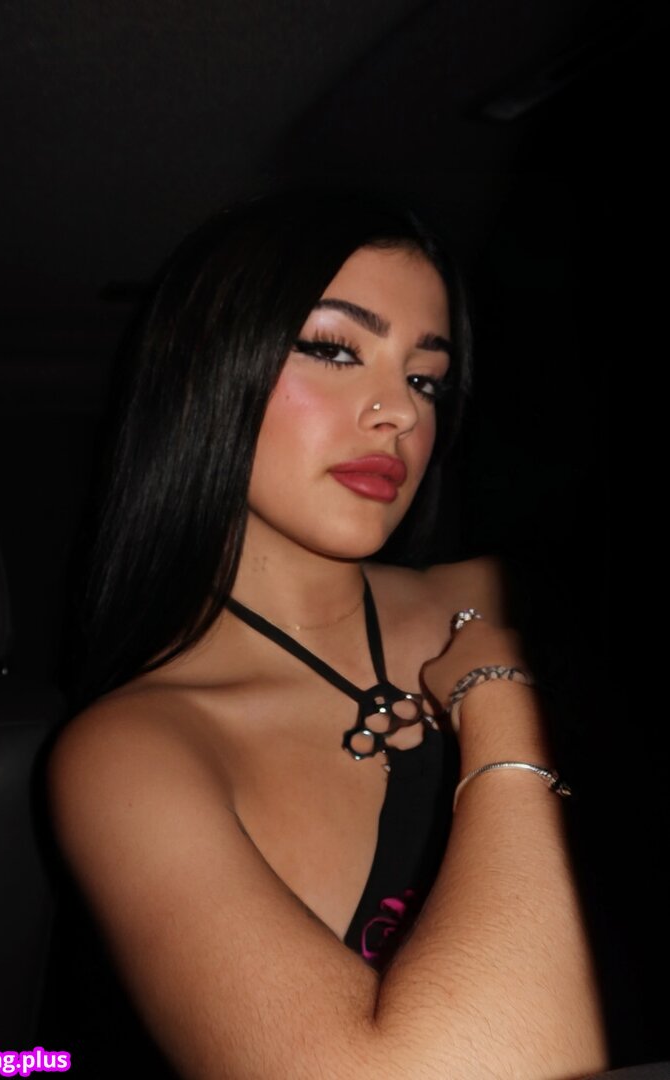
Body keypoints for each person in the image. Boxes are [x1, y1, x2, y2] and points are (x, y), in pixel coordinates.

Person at [49, 189, 607, 1078]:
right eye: (335, 349)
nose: (402, 413)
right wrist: (498, 707)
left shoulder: (513, 596)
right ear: (206, 374)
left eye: (425, 378)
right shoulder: (133, 756)